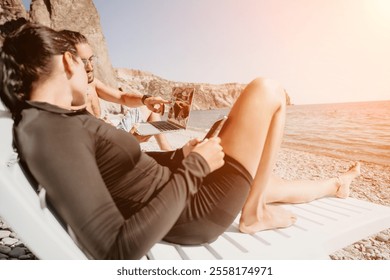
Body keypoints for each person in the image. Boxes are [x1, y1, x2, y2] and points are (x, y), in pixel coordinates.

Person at [0, 23, 360, 259]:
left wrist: (180, 156)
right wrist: (195, 168)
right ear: (67, 62)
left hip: (178, 190)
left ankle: (335, 185)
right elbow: (117, 248)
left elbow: (120, 172)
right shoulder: (49, 131)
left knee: (268, 182)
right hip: (192, 212)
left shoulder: (56, 121)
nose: (89, 73)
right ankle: (255, 214)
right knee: (269, 90)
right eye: (84, 64)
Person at [59, 29, 172, 150]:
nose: (90, 67)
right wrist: (129, 140)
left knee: (148, 107)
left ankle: (166, 150)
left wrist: (146, 99)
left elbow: (121, 97)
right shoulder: (65, 98)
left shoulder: (93, 83)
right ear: (68, 62)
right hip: (104, 147)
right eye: (83, 62)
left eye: (91, 59)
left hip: (111, 133)